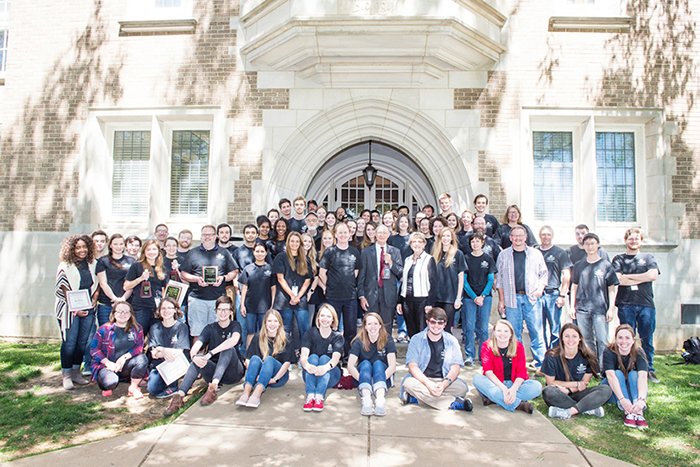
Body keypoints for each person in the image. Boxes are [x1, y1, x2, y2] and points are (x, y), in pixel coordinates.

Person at [165, 296, 245, 414]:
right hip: (213, 371)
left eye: (226, 310)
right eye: (220, 309)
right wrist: (194, 357)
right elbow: (195, 347)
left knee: (228, 348)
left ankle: (213, 388)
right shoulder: (210, 328)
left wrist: (211, 353)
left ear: (231, 312)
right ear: (216, 311)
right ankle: (179, 396)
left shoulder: (235, 325)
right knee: (198, 358)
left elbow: (233, 340)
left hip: (233, 372)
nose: (223, 313)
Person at [495, 225, 548, 369]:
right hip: (512, 299)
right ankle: (517, 363)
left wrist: (539, 290)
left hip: (531, 298)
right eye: (514, 236)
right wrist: (502, 300)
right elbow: (499, 279)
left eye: (520, 236)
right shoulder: (503, 255)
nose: (517, 238)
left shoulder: (535, 254)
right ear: (510, 238)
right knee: (514, 333)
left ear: (525, 237)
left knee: (536, 331)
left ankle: (541, 363)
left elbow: (544, 274)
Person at [612, 228, 660, 384]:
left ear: (641, 241)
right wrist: (643, 277)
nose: (633, 241)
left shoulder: (648, 258)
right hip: (626, 304)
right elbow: (618, 279)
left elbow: (652, 275)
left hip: (646, 304)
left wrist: (629, 277)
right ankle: (626, 369)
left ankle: (648, 370)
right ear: (625, 240)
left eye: (636, 239)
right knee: (625, 339)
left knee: (647, 339)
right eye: (630, 239)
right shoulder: (619, 259)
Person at [400, 307, 472, 411]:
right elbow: (413, 367)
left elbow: (455, 368)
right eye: (433, 322)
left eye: (440, 323)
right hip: (422, 381)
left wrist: (444, 385)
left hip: (443, 380)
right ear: (427, 322)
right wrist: (428, 384)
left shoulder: (452, 341)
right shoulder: (416, 339)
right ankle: (452, 403)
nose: (436, 326)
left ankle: (416, 399)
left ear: (445, 324)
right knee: (408, 383)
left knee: (462, 388)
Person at [55, 234, 99, 390]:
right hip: (69, 309)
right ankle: (66, 375)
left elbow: (97, 283)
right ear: (71, 249)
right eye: (78, 247)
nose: (82, 250)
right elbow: (63, 288)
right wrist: (76, 309)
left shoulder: (93, 263)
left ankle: (76, 373)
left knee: (82, 342)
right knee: (70, 342)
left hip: (88, 307)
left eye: (84, 247)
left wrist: (95, 297)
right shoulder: (65, 265)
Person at [180, 225, 238, 341]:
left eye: (210, 234)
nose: (207, 237)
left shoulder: (224, 252)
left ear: (215, 236)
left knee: (217, 334)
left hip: (218, 301)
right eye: (204, 235)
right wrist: (196, 279)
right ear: (201, 236)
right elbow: (183, 274)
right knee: (198, 333)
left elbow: (234, 272)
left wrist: (223, 278)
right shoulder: (193, 253)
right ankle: (197, 357)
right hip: (197, 299)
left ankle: (215, 359)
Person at [542, 323, 612, 420]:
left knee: (606, 389)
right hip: (559, 393)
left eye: (574, 336)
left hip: (577, 393)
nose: (571, 340)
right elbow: (550, 383)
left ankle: (569, 411)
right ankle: (586, 408)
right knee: (548, 391)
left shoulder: (588, 356)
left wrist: (569, 390)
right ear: (562, 338)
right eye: (567, 336)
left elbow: (584, 385)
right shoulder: (551, 356)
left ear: (579, 338)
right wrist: (576, 384)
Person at [473, 319, 542, 413]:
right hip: (496, 384)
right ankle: (519, 405)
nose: (502, 334)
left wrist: (513, 389)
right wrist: (504, 389)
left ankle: (495, 399)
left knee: (536, 386)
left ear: (511, 334)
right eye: (499, 331)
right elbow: (488, 372)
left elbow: (521, 372)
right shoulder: (487, 346)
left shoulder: (518, 346)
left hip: (514, 384)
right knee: (477, 379)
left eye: (506, 331)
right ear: (494, 332)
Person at [570, 233, 619, 365]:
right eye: (587, 244)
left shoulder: (606, 265)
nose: (590, 247)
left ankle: (604, 367)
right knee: (586, 339)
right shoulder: (579, 265)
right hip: (582, 309)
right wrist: (572, 306)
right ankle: (592, 366)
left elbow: (612, 289)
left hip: (600, 309)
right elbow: (574, 287)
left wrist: (611, 309)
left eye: (592, 243)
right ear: (583, 246)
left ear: (598, 245)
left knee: (602, 339)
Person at [318, 223, 361, 361]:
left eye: (345, 233)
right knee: (332, 328)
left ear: (350, 234)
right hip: (333, 297)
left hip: (350, 297)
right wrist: (329, 286)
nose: (343, 235)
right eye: (340, 233)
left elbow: (355, 273)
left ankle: (348, 356)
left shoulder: (355, 252)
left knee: (350, 329)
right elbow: (322, 273)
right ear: (335, 235)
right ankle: (333, 356)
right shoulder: (329, 252)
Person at [237, 310, 295, 408]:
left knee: (269, 360)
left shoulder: (286, 339)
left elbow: (287, 363)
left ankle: (256, 394)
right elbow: (248, 359)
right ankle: (246, 393)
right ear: (264, 323)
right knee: (255, 358)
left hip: (278, 378)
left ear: (280, 323)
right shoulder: (257, 337)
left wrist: (274, 379)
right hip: (260, 376)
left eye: (275, 321)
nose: (272, 324)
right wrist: (253, 375)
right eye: (269, 321)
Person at [90, 300, 148, 398]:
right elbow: (94, 349)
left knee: (142, 358)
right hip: (107, 366)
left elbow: (139, 348)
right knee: (110, 382)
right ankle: (108, 382)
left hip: (125, 365)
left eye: (126, 311)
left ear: (130, 314)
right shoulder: (104, 329)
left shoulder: (137, 329)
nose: (123, 314)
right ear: (114, 314)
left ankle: (134, 387)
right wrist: (108, 363)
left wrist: (123, 358)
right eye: (119, 311)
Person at [601, 324, 650, 429]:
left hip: (630, 389)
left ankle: (638, 411)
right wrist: (622, 399)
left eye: (627, 338)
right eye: (620, 338)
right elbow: (611, 377)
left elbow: (642, 377)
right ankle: (628, 411)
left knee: (634, 374)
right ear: (616, 339)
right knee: (617, 373)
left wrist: (641, 400)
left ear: (633, 340)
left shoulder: (639, 352)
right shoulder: (609, 351)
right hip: (614, 390)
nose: (624, 342)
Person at [347, 313, 397, 416]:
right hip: (364, 378)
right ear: (365, 327)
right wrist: (363, 379)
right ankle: (366, 400)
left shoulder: (388, 339)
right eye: (369, 324)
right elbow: (350, 366)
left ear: (380, 326)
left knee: (378, 363)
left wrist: (380, 379)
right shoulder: (359, 341)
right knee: (365, 363)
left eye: (375, 323)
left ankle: (380, 400)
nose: (372, 327)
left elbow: (392, 366)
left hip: (382, 377)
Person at [358, 224, 404, 334]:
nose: (382, 235)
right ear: (375, 234)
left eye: (384, 233)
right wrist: (361, 296)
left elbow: (401, 273)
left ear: (388, 235)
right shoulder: (366, 252)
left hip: (388, 294)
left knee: (386, 326)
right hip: (370, 295)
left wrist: (391, 263)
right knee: (370, 325)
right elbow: (361, 276)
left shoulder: (395, 251)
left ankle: (385, 350)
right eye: (379, 233)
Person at [300, 304, 344, 411]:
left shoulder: (337, 337)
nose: (325, 319)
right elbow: (304, 356)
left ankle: (319, 397)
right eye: (322, 315)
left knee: (325, 358)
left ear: (333, 319)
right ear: (318, 317)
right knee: (313, 357)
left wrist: (325, 367)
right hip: (311, 373)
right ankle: (310, 396)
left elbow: (335, 359)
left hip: (331, 375)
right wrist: (307, 366)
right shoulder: (309, 333)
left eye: (328, 316)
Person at [462, 232, 497, 366]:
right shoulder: (465, 258)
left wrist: (482, 296)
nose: (475, 244)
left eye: (478, 241)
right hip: (469, 298)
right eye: (473, 241)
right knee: (469, 327)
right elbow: (464, 281)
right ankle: (470, 355)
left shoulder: (488, 259)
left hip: (485, 298)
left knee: (483, 328)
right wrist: (474, 297)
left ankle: (485, 356)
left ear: (483, 243)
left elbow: (490, 280)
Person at [273, 232, 313, 346]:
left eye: (297, 241)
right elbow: (280, 279)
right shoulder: (281, 257)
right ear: (288, 242)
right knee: (285, 329)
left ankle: (302, 353)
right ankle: (285, 355)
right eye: (292, 241)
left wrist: (298, 297)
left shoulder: (306, 259)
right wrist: (292, 295)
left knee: (304, 329)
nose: (294, 244)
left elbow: (307, 280)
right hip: (284, 299)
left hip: (301, 299)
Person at [537, 226, 573, 349]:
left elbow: (566, 275)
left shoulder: (560, 252)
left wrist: (562, 295)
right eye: (543, 234)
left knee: (555, 328)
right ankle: (543, 357)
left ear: (552, 236)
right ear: (539, 236)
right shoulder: (535, 252)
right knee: (538, 328)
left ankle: (555, 354)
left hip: (553, 295)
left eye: (548, 234)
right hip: (537, 295)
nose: (545, 237)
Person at [147, 297, 190, 398]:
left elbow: (180, 351)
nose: (166, 311)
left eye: (169, 308)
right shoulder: (154, 327)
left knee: (172, 366)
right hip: (159, 364)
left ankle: (173, 386)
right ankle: (166, 382)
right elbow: (154, 353)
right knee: (152, 389)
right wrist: (164, 353)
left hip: (175, 363)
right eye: (163, 308)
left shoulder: (181, 327)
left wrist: (162, 349)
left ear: (175, 310)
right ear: (159, 311)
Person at [123, 239, 167, 337]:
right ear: (144, 252)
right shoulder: (136, 266)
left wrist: (162, 308)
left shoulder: (161, 268)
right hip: (141, 308)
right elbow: (126, 286)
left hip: (157, 309)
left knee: (156, 338)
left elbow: (164, 289)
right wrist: (141, 279)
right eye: (148, 250)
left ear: (158, 251)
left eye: (154, 249)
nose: (151, 252)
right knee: (138, 337)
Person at [400, 232, 437, 338]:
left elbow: (433, 283)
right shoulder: (407, 260)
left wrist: (429, 303)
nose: (417, 244)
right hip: (407, 300)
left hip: (422, 300)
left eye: (419, 241)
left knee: (422, 329)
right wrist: (400, 301)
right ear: (410, 244)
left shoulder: (429, 259)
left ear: (424, 244)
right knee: (411, 329)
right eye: (414, 242)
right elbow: (404, 281)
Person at [239, 242, 276, 346]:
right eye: (257, 251)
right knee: (250, 332)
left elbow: (273, 288)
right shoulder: (248, 269)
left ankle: (264, 356)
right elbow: (244, 288)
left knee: (264, 333)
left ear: (266, 253)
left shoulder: (270, 268)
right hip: (250, 306)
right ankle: (249, 357)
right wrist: (242, 304)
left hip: (265, 307)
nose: (259, 254)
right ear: (253, 253)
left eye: (262, 251)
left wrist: (272, 305)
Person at [431, 227, 466, 334]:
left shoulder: (458, 254)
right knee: (435, 327)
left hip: (450, 298)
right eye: (443, 236)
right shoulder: (434, 254)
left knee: (446, 327)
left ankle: (447, 350)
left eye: (448, 236)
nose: (445, 238)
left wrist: (458, 298)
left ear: (451, 238)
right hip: (436, 297)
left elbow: (461, 278)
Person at [95, 233, 135, 327]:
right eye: (115, 244)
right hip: (107, 304)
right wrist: (115, 299)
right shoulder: (103, 261)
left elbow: (132, 283)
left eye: (121, 244)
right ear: (110, 245)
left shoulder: (131, 261)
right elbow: (103, 283)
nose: (118, 247)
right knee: (106, 334)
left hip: (126, 304)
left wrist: (123, 299)